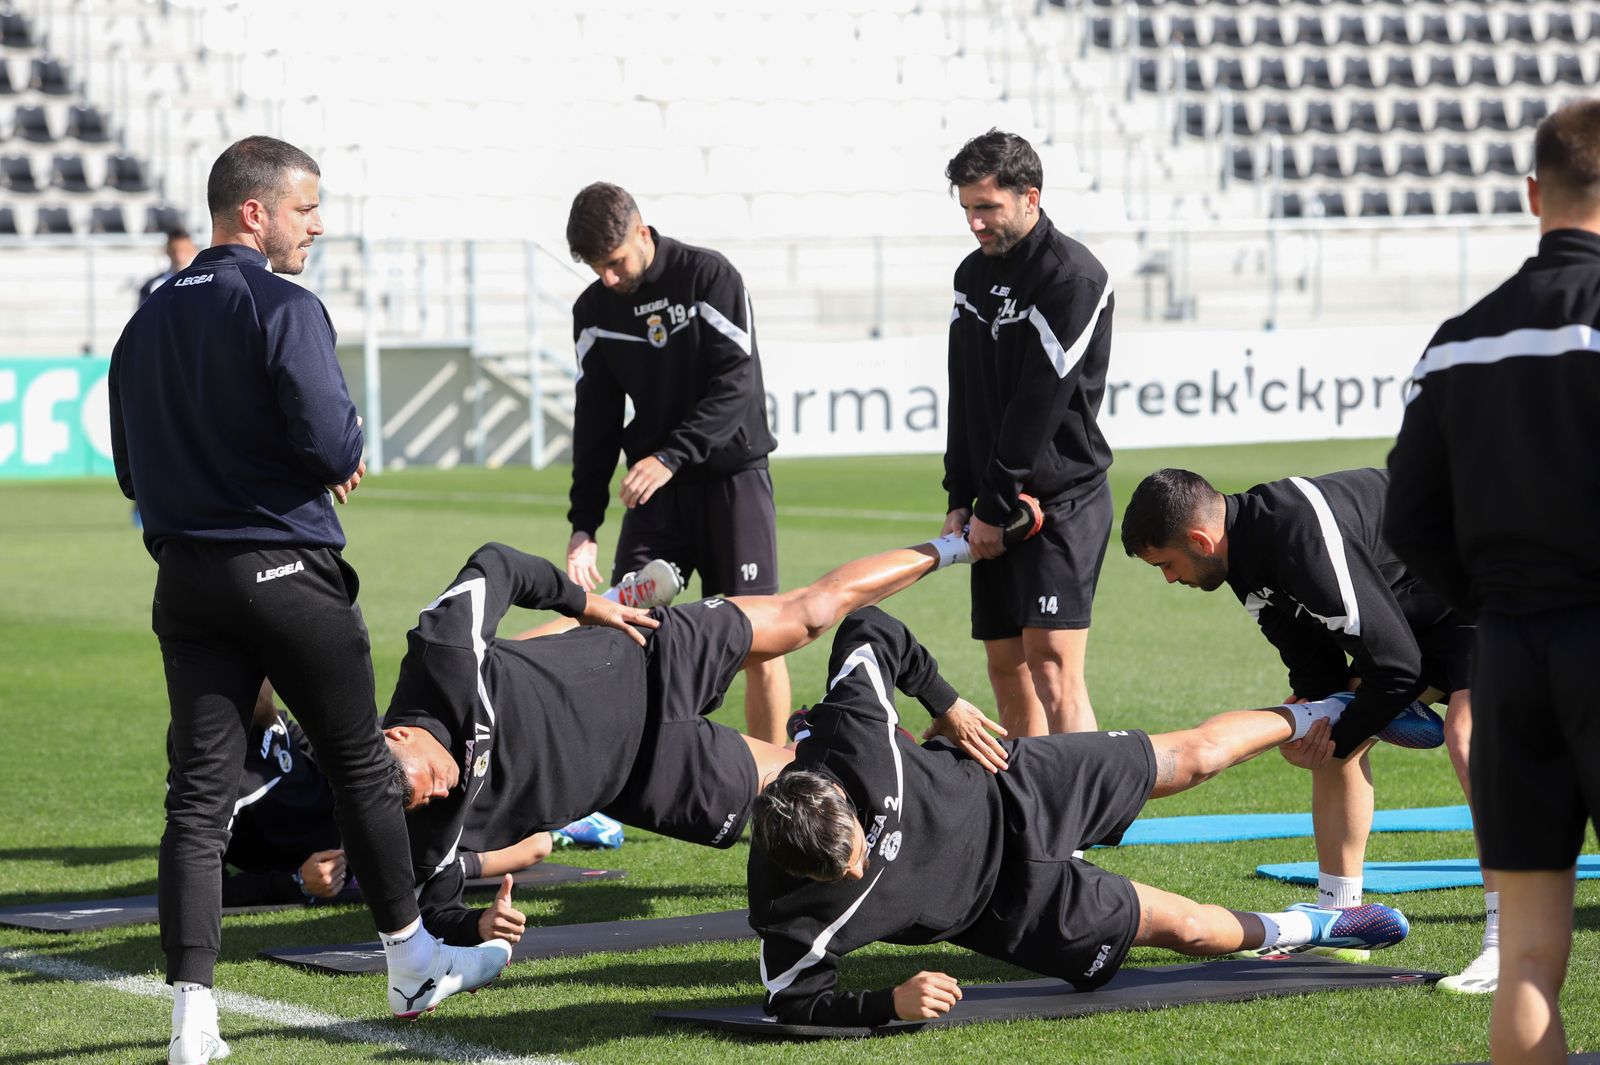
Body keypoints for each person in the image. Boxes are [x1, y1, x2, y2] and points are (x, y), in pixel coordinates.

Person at [108, 135, 507, 1064]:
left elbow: (131, 472)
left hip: (185, 578)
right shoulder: (279, 300)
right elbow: (334, 442)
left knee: (196, 802)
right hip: (285, 570)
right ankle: (410, 958)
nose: (317, 225)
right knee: (359, 763)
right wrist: (334, 449)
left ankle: (192, 1019)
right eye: (306, 208)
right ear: (256, 212)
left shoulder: (142, 320)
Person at [747, 607, 1411, 1025]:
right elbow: (791, 1001)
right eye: (848, 870)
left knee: (1193, 757)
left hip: (1009, 783)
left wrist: (943, 701)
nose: (864, 862)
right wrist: (884, 1004)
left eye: (861, 840)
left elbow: (868, 627)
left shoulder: (848, 736)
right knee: (1185, 928)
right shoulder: (789, 911)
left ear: (839, 796)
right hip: (1006, 905)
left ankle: (1323, 708)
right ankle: (1319, 923)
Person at [382, 530, 983, 946]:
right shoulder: (418, 829)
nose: (440, 793)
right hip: (650, 773)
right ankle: (848, 743)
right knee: (809, 791)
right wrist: (475, 928)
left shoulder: (443, 656)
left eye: (427, 779)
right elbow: (436, 908)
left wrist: (588, 605)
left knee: (810, 614)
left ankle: (959, 546)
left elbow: (497, 563)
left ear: (400, 733)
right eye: (424, 802)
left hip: (645, 653)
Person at [1385, 100, 1600, 1064]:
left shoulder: (1458, 340)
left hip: (1510, 652)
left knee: (1524, 962)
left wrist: (1494, 607)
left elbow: (1409, 524)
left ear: (1530, 195)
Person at [1119, 467, 1489, 985]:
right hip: (1414, 606)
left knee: (1468, 738)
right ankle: (1342, 918)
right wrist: (1322, 719)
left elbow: (1397, 666)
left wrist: (1338, 733)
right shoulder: (1237, 556)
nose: (1170, 578)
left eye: (1168, 564)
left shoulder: (1300, 541)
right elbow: (1313, 664)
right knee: (1335, 717)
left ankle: (1509, 940)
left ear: (1200, 539)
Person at [563, 182, 790, 746]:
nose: (609, 279)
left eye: (615, 262)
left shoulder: (708, 277)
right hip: (658, 491)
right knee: (623, 631)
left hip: (731, 479)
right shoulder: (592, 311)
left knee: (759, 641)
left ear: (643, 233)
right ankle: (619, 789)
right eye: (597, 268)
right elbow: (595, 420)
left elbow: (737, 386)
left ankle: (778, 788)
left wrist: (671, 455)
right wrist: (583, 525)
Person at [941, 129, 1115, 739]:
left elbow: (1037, 407)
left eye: (985, 208)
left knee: (1053, 670)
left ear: (1030, 197)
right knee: (1005, 667)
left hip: (1060, 502)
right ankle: (1031, 819)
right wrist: (960, 497)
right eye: (967, 209)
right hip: (994, 502)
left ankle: (1079, 824)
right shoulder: (972, 276)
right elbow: (964, 394)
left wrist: (991, 503)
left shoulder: (1073, 278)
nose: (975, 223)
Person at [210, 680, 577, 908]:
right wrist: (294, 883)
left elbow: (333, 747)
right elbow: (198, 883)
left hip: (388, 793)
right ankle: (558, 814)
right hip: (378, 843)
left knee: (478, 693)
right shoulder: (218, 780)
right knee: (537, 843)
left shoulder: (272, 724)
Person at [137, 228, 200, 304]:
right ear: (167, 251)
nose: (179, 257)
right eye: (174, 251)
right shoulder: (153, 286)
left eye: (185, 250)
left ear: (194, 250)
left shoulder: (205, 282)